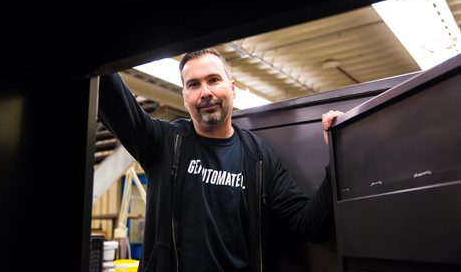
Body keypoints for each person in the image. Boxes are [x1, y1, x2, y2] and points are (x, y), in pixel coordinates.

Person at [98, 48, 343, 272]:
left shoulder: (259, 159)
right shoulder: (164, 142)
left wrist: (337, 154)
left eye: (213, 80)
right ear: (185, 97)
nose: (205, 92)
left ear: (232, 88)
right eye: (194, 84)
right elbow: (113, 99)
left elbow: (309, 225)